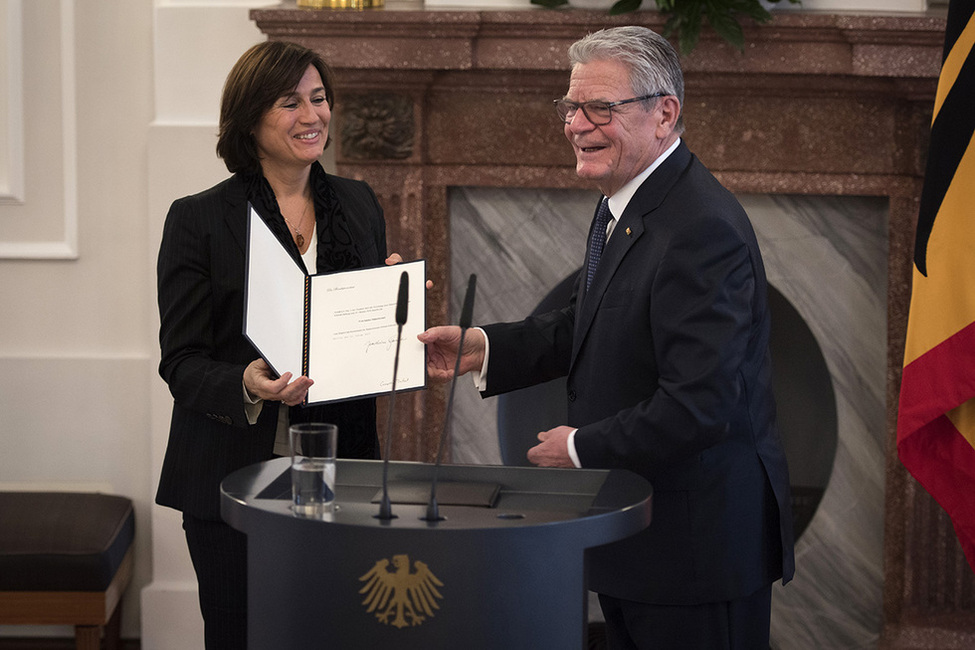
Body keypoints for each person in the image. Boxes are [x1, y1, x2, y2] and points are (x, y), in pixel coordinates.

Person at [419, 26, 795, 649]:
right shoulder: (626, 197)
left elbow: (701, 405)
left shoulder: (701, 229)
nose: (575, 124)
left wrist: (578, 449)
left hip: (694, 556)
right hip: (638, 542)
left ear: (664, 114)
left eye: (600, 108)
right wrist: (482, 347)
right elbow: (589, 322)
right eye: (570, 106)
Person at [155, 41, 403, 649]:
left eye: (319, 99)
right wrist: (245, 382)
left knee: (340, 632)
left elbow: (361, 339)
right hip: (231, 470)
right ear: (249, 118)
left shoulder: (359, 202)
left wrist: (390, 306)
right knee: (243, 633)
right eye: (289, 102)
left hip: (345, 469)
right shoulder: (198, 219)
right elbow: (181, 362)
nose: (311, 115)